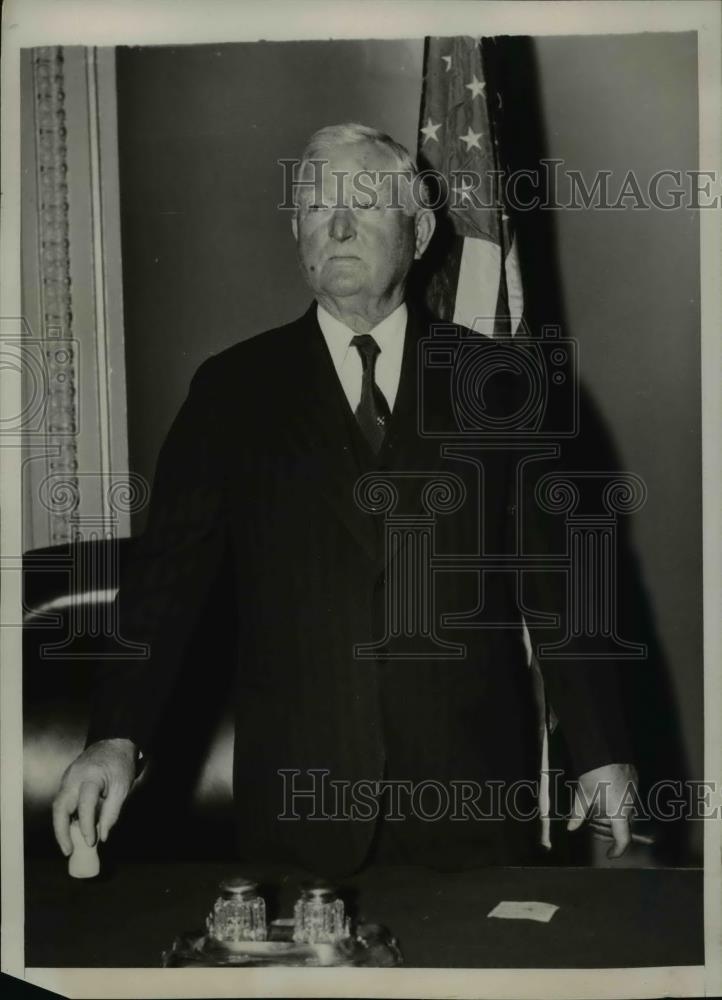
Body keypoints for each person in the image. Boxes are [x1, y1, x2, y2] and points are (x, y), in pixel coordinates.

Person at [53, 123, 637, 876]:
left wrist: (601, 751)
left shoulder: (499, 384)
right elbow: (164, 588)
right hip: (298, 818)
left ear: (420, 230)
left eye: (366, 201)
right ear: (297, 232)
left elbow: (561, 584)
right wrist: (115, 737)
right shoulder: (231, 392)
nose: (338, 223)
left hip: (471, 808)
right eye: (316, 204)